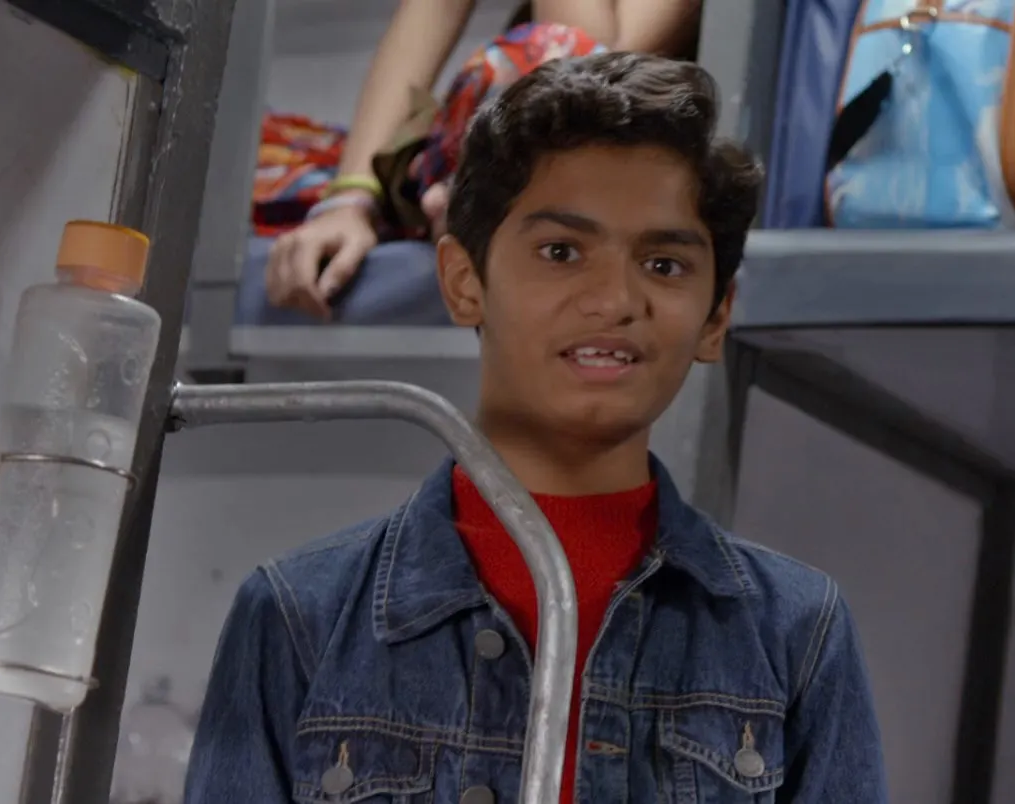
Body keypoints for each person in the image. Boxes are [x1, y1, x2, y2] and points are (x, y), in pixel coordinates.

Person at [184, 53, 891, 804]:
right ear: (464, 281)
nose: (614, 299)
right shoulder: (299, 615)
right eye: (562, 252)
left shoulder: (797, 632)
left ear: (716, 317)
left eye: (664, 264)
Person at [264, 0, 704, 321]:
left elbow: (587, 74)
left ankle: (477, 185)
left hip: (600, 145)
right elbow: (431, 14)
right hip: (491, 131)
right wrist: (349, 200)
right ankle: (455, 181)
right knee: (271, 152)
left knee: (550, 47)